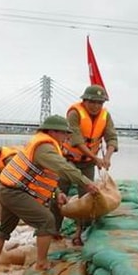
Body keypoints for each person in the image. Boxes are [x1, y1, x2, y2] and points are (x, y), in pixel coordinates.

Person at [0, 115, 99, 271]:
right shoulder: (45, 147)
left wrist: (57, 193)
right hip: (16, 193)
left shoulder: (42, 145)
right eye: (64, 133)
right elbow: (62, 167)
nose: (66, 137)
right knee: (47, 220)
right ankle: (41, 263)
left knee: (4, 230)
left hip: (8, 191)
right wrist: (86, 183)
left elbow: (46, 179)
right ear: (53, 132)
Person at [57, 85, 119, 246]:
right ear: (84, 101)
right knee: (58, 194)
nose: (96, 106)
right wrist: (96, 158)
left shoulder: (105, 116)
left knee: (87, 197)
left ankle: (80, 232)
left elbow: (111, 137)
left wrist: (107, 157)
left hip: (87, 163)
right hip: (67, 161)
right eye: (92, 102)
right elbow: (77, 140)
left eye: (100, 103)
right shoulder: (74, 113)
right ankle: (54, 230)